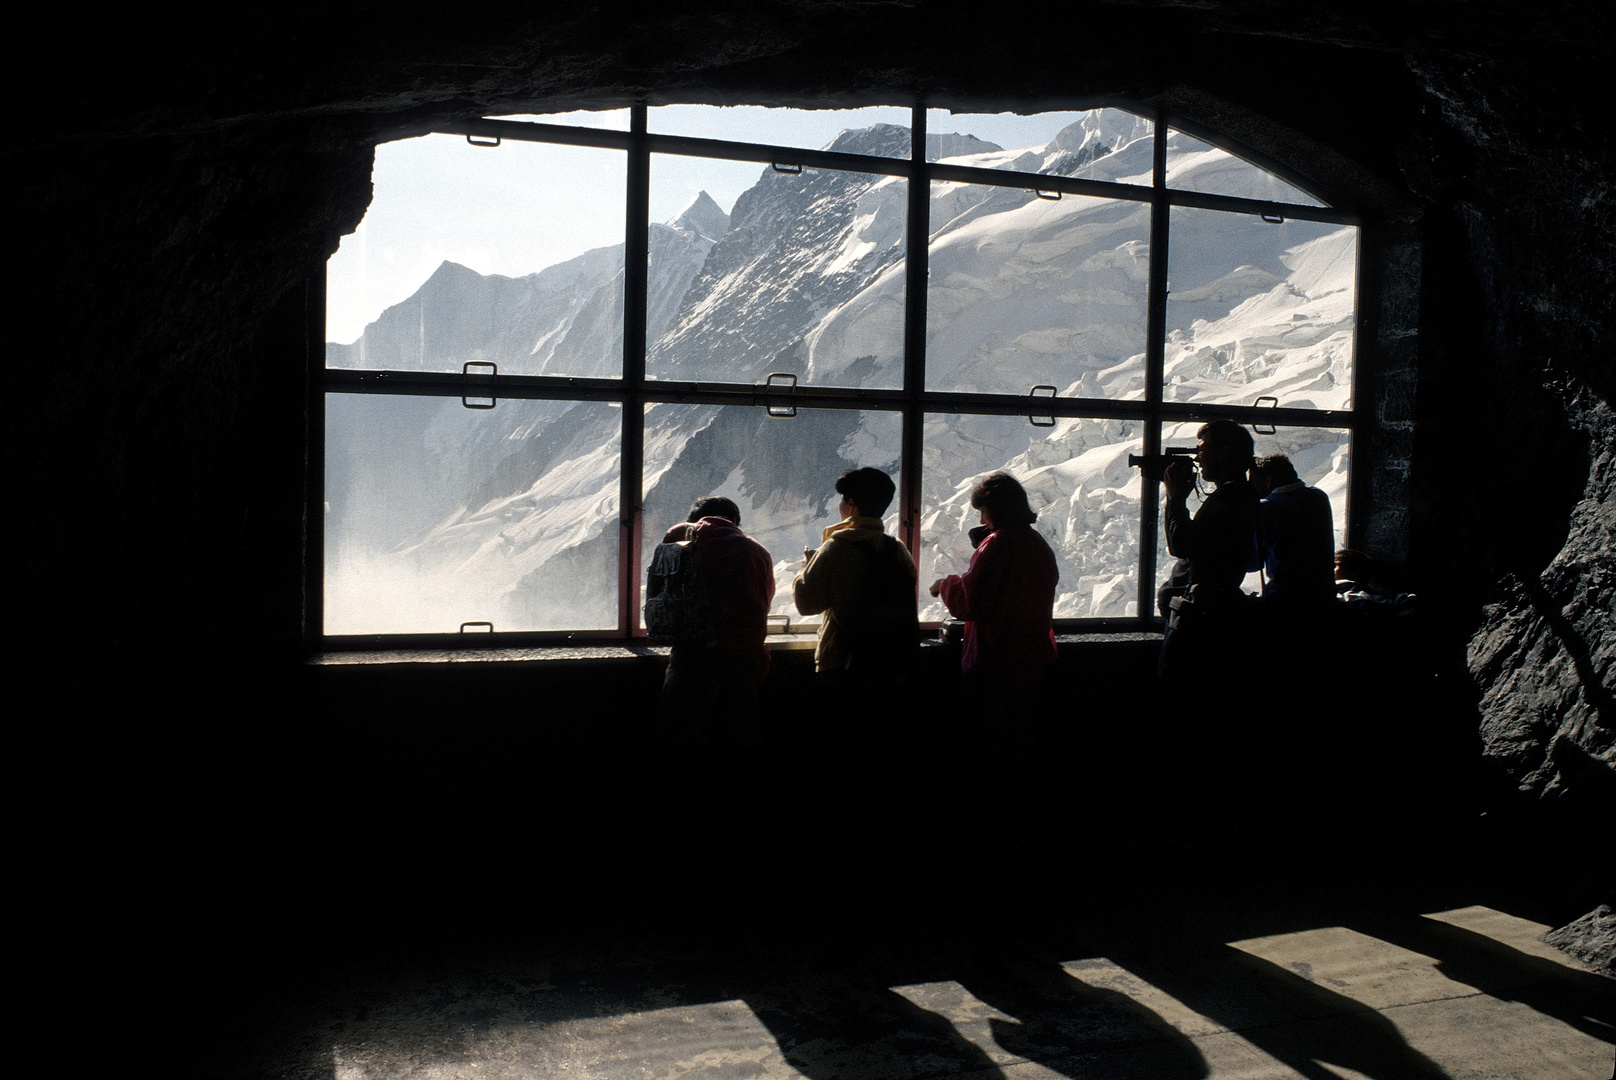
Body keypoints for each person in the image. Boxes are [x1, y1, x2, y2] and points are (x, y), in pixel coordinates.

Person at [655, 496, 776, 742]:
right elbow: (765, 599)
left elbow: (660, 591)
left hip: (691, 659)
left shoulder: (679, 539)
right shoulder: (757, 552)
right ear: (734, 522)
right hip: (742, 664)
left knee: (680, 740)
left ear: (693, 522)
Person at [928, 472, 1058, 692]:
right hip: (1033, 655)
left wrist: (943, 585)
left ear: (998, 509)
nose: (981, 520)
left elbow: (971, 603)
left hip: (997, 658)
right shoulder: (1037, 542)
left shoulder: (996, 545)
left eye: (983, 512)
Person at [792, 467, 918, 678]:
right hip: (893, 660)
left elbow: (807, 604)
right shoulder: (897, 548)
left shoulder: (836, 547)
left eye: (842, 500)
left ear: (851, 504)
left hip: (844, 659)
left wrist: (804, 569)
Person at [1157, 419, 1260, 677]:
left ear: (1223, 452)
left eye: (1202, 449)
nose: (1199, 458)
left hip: (1206, 617)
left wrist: (1175, 499)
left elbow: (1181, 545)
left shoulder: (1228, 498)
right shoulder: (1242, 494)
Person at [1250, 453, 1336, 610]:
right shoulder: (1319, 497)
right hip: (1324, 597)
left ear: (1268, 480)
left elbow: (1253, 563)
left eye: (1254, 482)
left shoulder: (1267, 507)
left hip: (1284, 600)